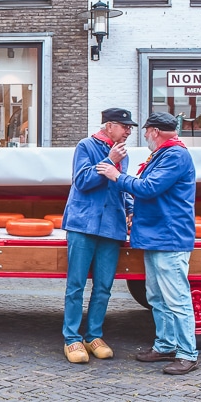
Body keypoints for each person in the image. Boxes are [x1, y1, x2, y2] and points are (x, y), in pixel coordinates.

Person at [96, 112, 199, 375]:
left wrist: (115, 175)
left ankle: (188, 354)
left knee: (176, 298)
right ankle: (165, 345)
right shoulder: (165, 154)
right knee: (157, 296)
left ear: (154, 131)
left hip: (169, 237)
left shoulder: (175, 155)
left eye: (145, 131)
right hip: (158, 236)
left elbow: (149, 187)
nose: (143, 135)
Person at [60, 108, 136, 364]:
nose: (128, 131)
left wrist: (130, 210)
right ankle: (72, 338)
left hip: (112, 226)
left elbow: (121, 185)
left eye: (130, 128)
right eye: (125, 127)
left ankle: (94, 335)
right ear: (109, 126)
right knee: (76, 285)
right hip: (83, 224)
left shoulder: (122, 152)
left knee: (104, 287)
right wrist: (110, 159)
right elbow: (81, 182)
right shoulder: (86, 146)